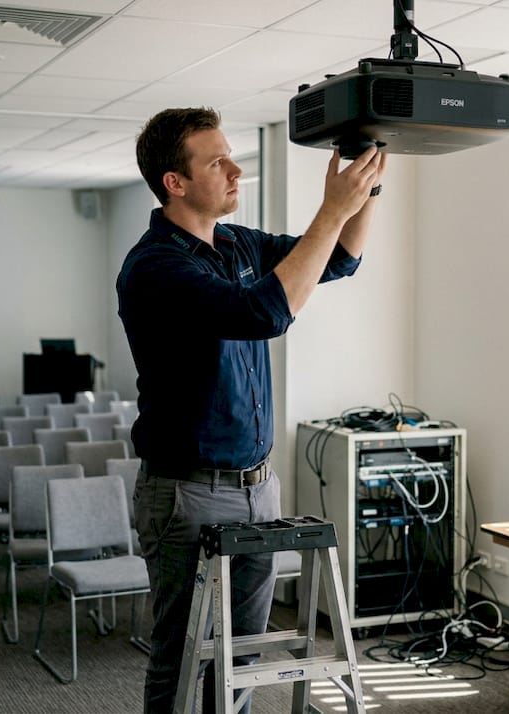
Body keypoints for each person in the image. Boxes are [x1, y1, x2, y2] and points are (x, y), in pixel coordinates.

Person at [117, 106, 386, 713]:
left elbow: (338, 256)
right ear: (175, 183)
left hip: (257, 486)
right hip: (188, 492)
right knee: (181, 656)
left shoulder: (236, 242)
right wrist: (331, 208)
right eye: (218, 161)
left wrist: (367, 184)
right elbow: (266, 314)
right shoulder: (156, 267)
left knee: (240, 655)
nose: (237, 171)